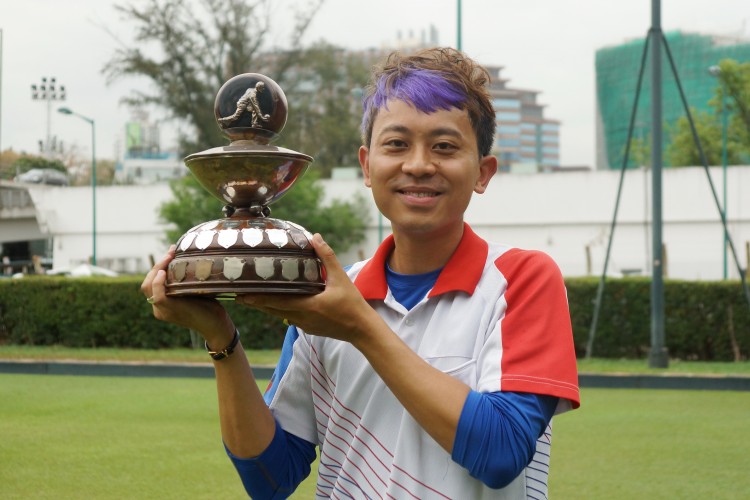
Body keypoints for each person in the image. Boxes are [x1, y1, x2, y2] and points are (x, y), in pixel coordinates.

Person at [142, 47, 580, 499]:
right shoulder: (328, 293)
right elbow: (270, 478)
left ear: (483, 173)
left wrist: (360, 327)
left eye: (445, 147)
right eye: (397, 144)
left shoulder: (521, 279)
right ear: (368, 166)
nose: (418, 165)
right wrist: (221, 338)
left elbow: (501, 452)